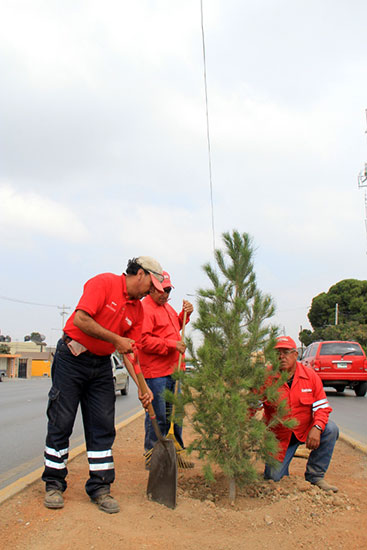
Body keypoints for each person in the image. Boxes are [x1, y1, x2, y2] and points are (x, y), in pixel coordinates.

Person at [42, 256, 163, 513]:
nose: (151, 292)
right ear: (139, 274)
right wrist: (116, 339)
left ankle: (100, 488)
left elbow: (129, 352)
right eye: (151, 285)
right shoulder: (104, 283)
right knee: (61, 421)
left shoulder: (137, 310)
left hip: (100, 365)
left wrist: (143, 387)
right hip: (71, 359)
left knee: (102, 425)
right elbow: (81, 320)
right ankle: (53, 483)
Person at [262, 335, 339, 492]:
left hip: (305, 430)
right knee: (274, 479)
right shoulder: (266, 378)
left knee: (330, 429)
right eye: (277, 353)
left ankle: (315, 476)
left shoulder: (309, 376)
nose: (282, 357)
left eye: (286, 352)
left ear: (295, 354)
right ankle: (283, 468)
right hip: (279, 437)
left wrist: (317, 428)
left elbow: (322, 407)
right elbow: (251, 406)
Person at [138, 271, 193, 464]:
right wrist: (171, 345)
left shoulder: (167, 308)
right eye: (162, 290)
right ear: (151, 289)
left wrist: (185, 315)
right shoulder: (145, 309)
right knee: (158, 416)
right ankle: (153, 456)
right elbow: (143, 341)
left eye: (168, 290)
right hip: (156, 374)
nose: (165, 294)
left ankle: (175, 454)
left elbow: (174, 328)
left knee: (175, 416)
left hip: (174, 370)